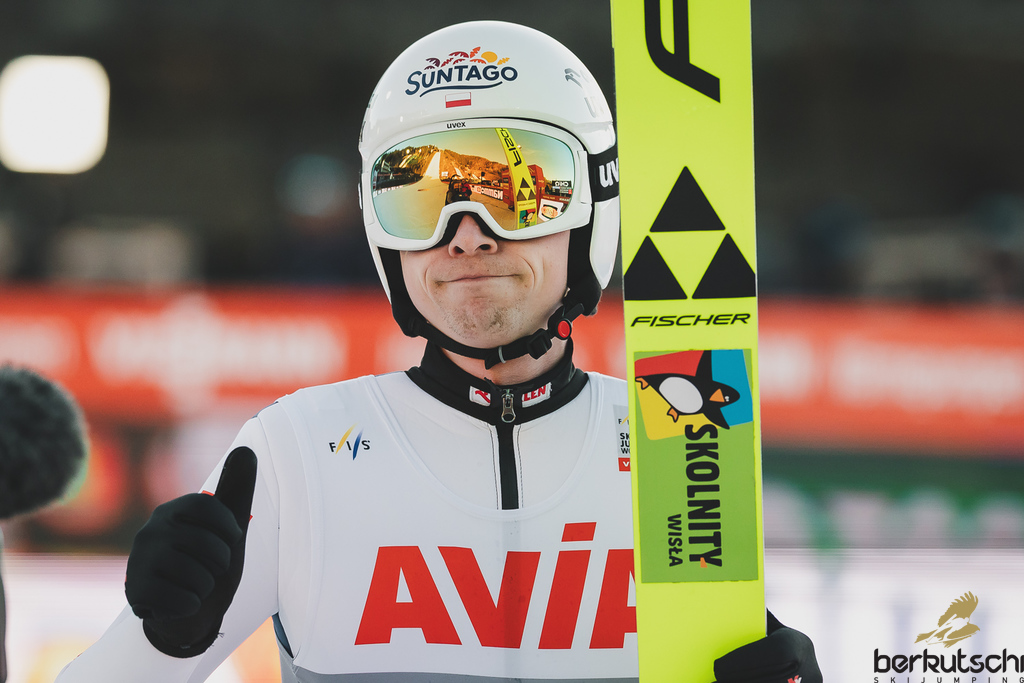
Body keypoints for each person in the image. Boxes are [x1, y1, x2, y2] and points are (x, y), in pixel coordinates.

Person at [57, 21, 820, 683]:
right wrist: (163, 640)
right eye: (418, 195)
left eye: (516, 192)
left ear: (592, 206)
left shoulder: (685, 435)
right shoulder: (297, 451)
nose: (467, 234)